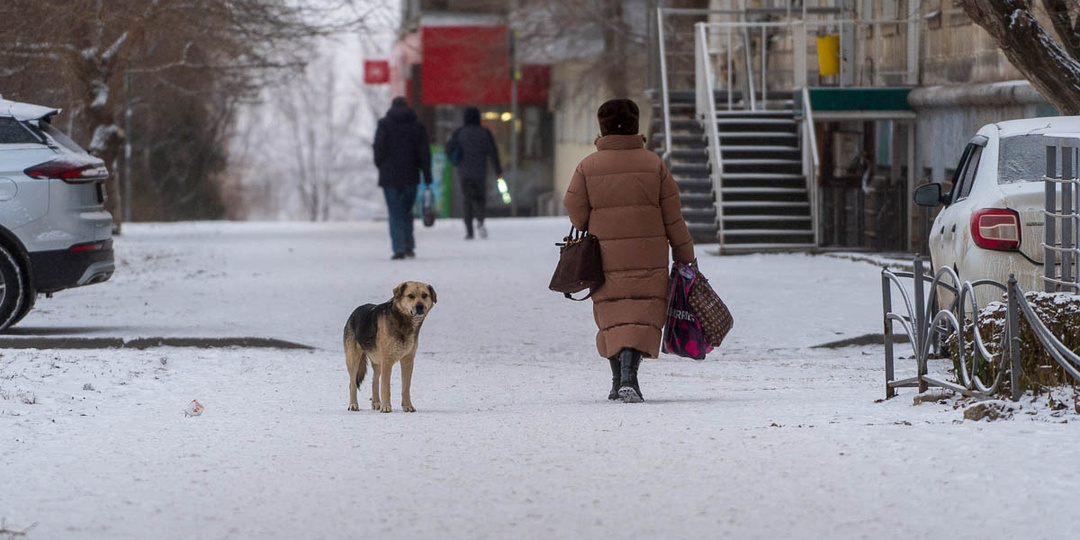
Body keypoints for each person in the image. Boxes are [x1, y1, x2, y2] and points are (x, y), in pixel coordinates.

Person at [562, 98, 696, 403]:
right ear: (636, 126)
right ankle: (629, 377)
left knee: (613, 316)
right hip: (650, 257)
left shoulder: (587, 166)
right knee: (641, 315)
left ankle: (617, 381)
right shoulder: (654, 164)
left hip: (605, 256)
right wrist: (685, 255)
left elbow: (575, 210)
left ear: (602, 128)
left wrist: (589, 218)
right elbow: (673, 216)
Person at [373, 97, 433, 260]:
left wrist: (381, 166)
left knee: (395, 212)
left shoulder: (384, 125)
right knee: (406, 210)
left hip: (389, 177)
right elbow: (424, 153)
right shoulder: (417, 126)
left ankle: (398, 248)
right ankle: (409, 246)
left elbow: (378, 149)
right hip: (410, 176)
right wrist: (427, 175)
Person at [446, 107, 502, 240]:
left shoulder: (459, 132)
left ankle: (469, 230)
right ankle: (481, 220)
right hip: (480, 171)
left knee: (467, 200)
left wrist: (456, 161)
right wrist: (498, 170)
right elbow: (493, 152)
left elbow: (449, 148)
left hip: (464, 172)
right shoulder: (484, 133)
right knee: (480, 198)